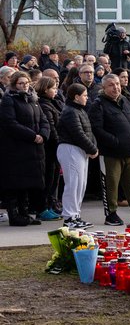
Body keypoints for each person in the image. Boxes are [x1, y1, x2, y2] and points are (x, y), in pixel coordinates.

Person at [88, 74, 130, 226]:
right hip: (112, 153)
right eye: (111, 85)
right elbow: (96, 129)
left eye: (117, 84)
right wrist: (115, 142)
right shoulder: (99, 104)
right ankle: (111, 214)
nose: (116, 87)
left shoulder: (125, 100)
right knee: (111, 185)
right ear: (103, 88)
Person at [0, 72, 50, 226]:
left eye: (27, 82)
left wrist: (43, 134)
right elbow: (10, 123)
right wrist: (33, 136)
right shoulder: (9, 100)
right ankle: (15, 215)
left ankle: (24, 213)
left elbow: (44, 120)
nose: (24, 85)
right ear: (14, 84)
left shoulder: (33, 100)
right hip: (16, 149)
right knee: (15, 184)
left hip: (33, 149)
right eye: (20, 83)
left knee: (27, 185)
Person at [56, 83, 98, 228]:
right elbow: (78, 133)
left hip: (80, 150)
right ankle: (69, 218)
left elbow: (88, 131)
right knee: (73, 184)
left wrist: (92, 148)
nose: (87, 98)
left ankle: (76, 215)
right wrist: (92, 149)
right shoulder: (70, 112)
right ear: (76, 97)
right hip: (70, 148)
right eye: (85, 95)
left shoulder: (79, 110)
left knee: (81, 184)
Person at [35, 76, 63, 221]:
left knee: (54, 178)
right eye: (53, 88)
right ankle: (43, 208)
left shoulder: (54, 102)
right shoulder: (44, 105)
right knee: (48, 177)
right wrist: (60, 143)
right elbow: (51, 129)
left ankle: (50, 204)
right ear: (45, 89)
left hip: (55, 148)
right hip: (50, 148)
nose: (56, 90)